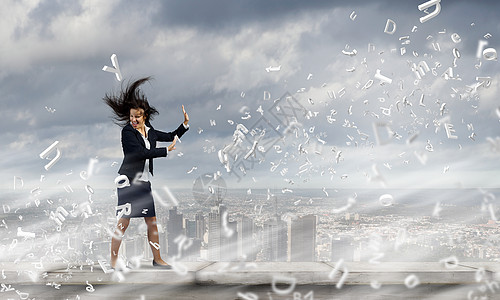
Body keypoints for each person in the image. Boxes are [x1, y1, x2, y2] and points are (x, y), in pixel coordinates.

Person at [103, 77, 189, 269]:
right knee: (123, 223)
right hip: (128, 183)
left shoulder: (150, 132)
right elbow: (139, 153)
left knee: (152, 222)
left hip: (144, 184)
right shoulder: (127, 133)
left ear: (145, 117)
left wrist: (184, 125)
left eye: (137, 117)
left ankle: (157, 259)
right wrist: (165, 151)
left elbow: (169, 136)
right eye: (131, 116)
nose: (133, 120)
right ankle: (114, 262)